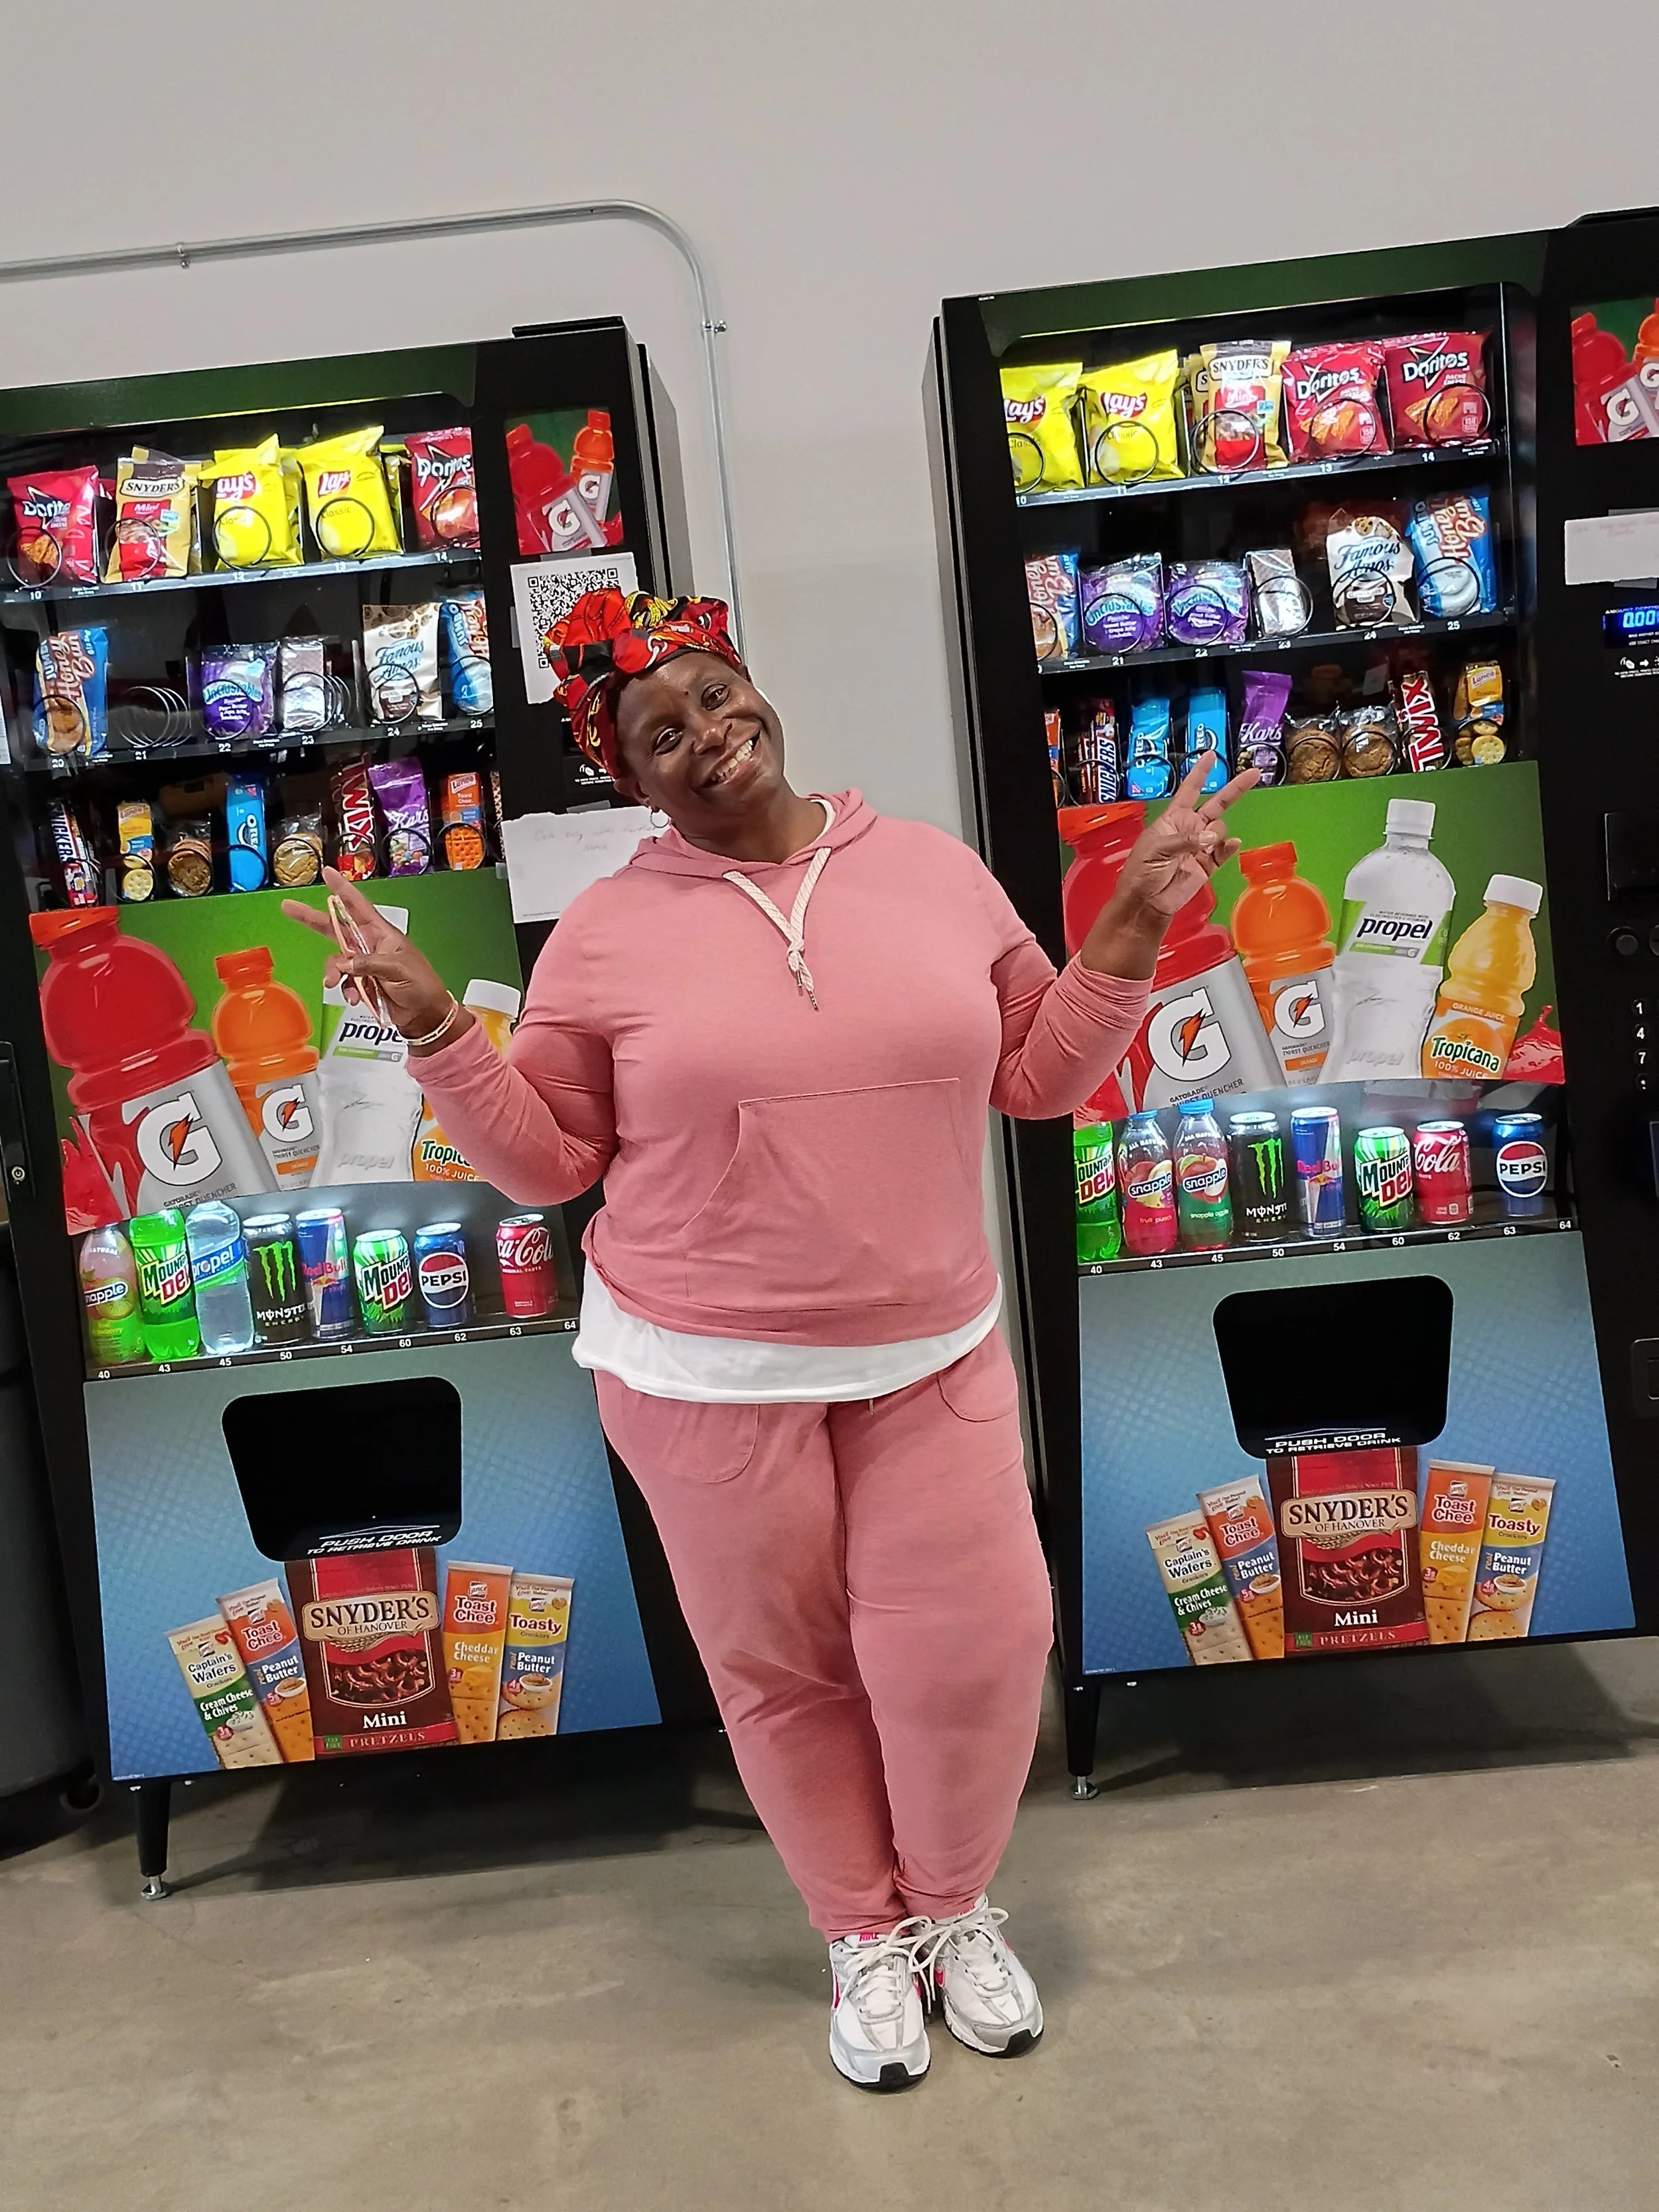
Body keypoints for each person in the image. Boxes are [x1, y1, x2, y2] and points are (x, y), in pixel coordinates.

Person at [286, 589, 1255, 2092]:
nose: (706, 739)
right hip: (700, 1372)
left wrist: (1131, 919)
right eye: (659, 733)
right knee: (786, 1674)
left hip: (929, 1346)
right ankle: (861, 1933)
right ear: (625, 774)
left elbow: (1036, 1077)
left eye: (719, 699)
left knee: (978, 1646)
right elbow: (548, 1164)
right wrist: (435, 1033)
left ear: (759, 692)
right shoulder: (606, 933)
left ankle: (949, 1906)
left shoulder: (929, 872)